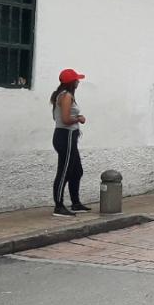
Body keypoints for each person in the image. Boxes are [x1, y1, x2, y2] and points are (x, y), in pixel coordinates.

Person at [50, 68, 89, 217]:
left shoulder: (62, 95)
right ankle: (58, 206)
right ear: (72, 82)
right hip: (65, 136)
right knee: (64, 171)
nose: (79, 81)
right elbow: (65, 120)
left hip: (68, 136)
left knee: (77, 170)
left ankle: (76, 203)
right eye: (77, 79)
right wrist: (79, 118)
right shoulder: (66, 96)